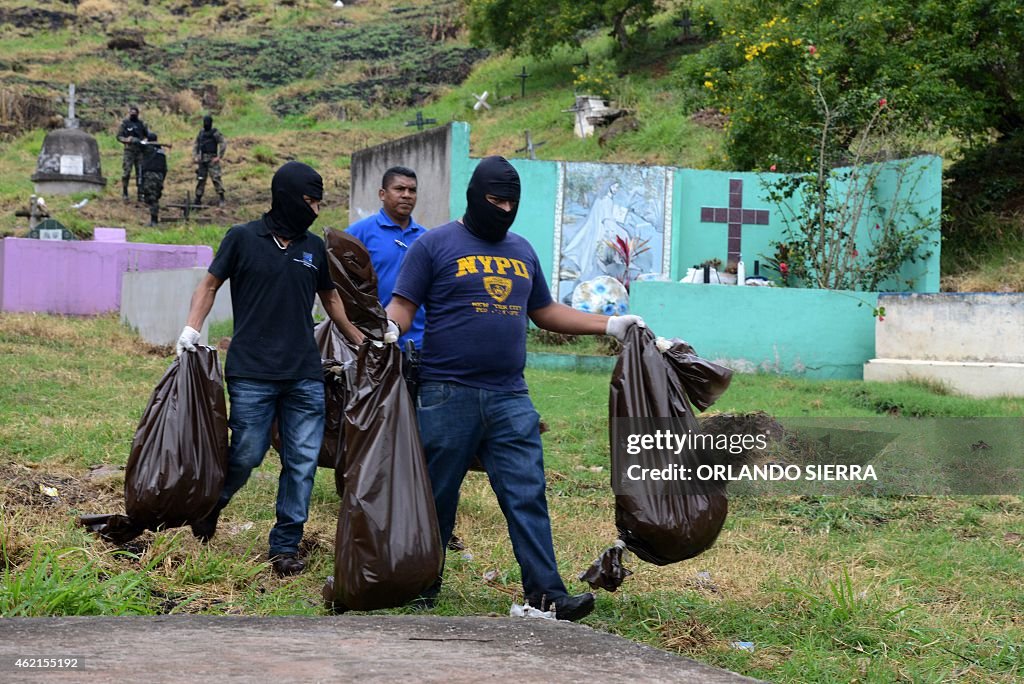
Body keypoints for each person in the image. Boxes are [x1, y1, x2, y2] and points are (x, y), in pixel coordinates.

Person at [385, 156, 644, 621]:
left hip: (510, 396)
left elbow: (544, 311)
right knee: (437, 496)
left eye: (512, 202)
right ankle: (421, 584)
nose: (504, 208)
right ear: (474, 196)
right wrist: (387, 328)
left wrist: (610, 325)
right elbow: (403, 306)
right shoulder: (433, 245)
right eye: (495, 199)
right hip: (447, 392)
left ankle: (546, 594)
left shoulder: (522, 250)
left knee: (527, 493)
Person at [176, 161, 367, 577]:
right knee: (247, 453)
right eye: (309, 201)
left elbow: (331, 299)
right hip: (251, 372)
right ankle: (212, 505)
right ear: (286, 197)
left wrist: (358, 341)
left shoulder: (314, 248)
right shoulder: (242, 238)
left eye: (319, 203)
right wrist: (192, 328)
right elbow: (209, 285)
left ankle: (285, 547)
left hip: (304, 373)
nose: (315, 210)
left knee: (301, 461)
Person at [346, 166, 426, 350]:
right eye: (399, 189)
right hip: (374, 342)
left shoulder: (427, 238)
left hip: (420, 343)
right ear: (382, 194)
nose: (406, 195)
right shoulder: (359, 233)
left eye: (412, 190)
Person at [193, 114, 227, 207]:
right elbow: (196, 144)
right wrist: (195, 156)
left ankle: (221, 197)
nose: (205, 124)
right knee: (201, 179)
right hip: (202, 159)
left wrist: (219, 156)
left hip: (212, 159)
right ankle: (198, 198)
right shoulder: (201, 133)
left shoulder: (215, 133)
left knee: (216, 178)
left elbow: (223, 143)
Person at [116, 105, 149, 201]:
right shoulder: (125, 124)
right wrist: (127, 140)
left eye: (135, 113)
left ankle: (140, 193)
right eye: (131, 112)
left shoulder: (142, 124)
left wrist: (143, 141)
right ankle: (125, 192)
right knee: (126, 172)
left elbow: (147, 136)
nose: (133, 114)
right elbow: (119, 136)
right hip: (129, 151)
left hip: (140, 151)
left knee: (140, 173)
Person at [139, 131, 167, 227]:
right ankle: (154, 219)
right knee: (155, 197)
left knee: (152, 198)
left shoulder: (148, 148)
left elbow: (138, 144)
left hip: (150, 176)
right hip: (160, 176)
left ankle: (154, 221)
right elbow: (165, 168)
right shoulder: (161, 151)